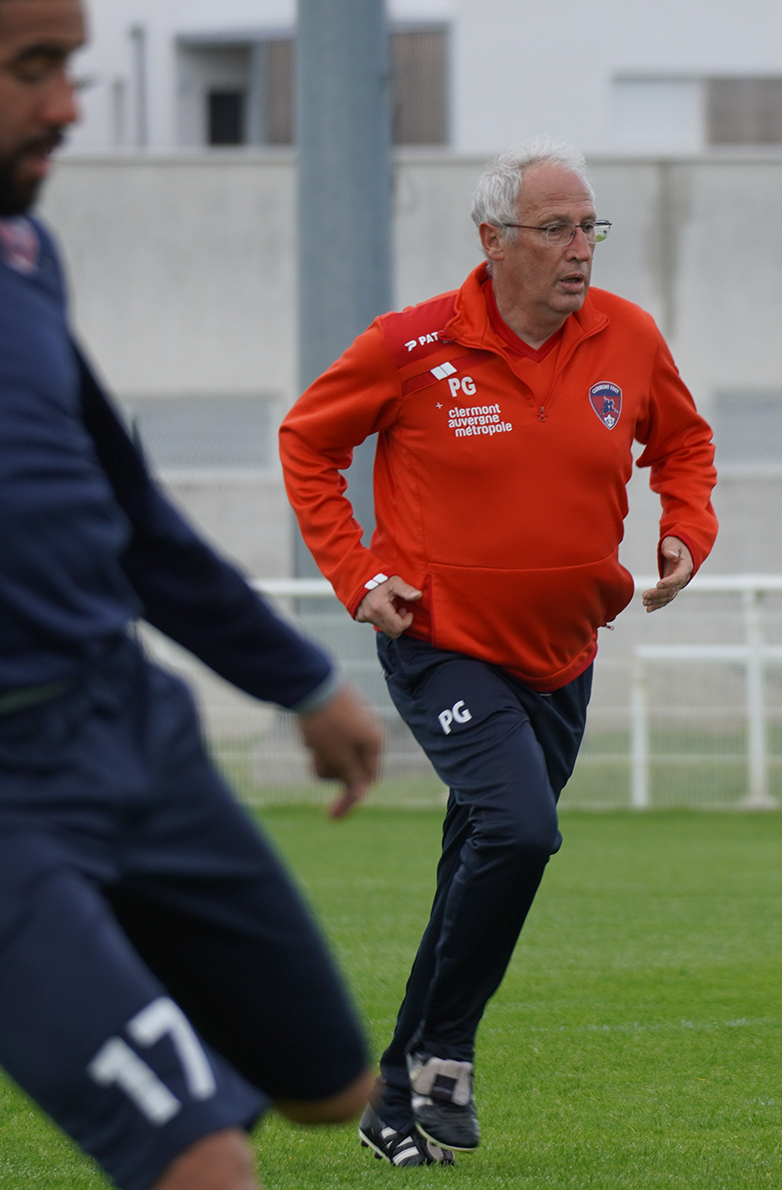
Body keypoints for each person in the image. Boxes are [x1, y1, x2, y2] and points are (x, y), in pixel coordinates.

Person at [0, 0, 388, 1188]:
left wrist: (300, 681)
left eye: (74, 66)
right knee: (202, 1163)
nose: (68, 107)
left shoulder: (18, 245)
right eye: (34, 68)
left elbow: (127, 514)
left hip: (125, 729)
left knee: (332, 1087)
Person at [280, 138, 718, 1163]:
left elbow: (684, 445)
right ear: (492, 240)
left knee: (475, 865)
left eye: (589, 229)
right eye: (556, 229)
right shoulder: (411, 344)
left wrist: (683, 531)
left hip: (565, 653)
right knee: (520, 832)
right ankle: (445, 1052)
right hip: (444, 645)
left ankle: (395, 1098)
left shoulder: (628, 337)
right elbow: (308, 442)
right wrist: (359, 574)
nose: (580, 250)